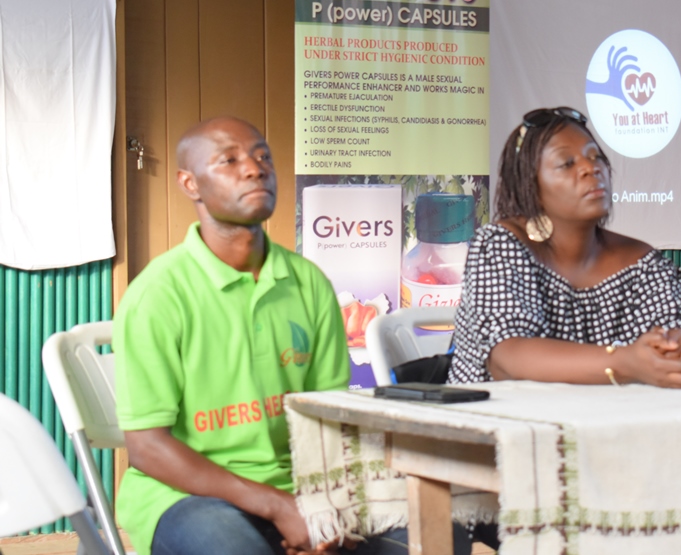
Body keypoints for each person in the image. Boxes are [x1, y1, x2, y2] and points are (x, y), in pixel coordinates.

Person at [113, 117, 469, 555]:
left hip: (304, 486)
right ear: (190, 183)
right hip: (192, 498)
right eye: (229, 160)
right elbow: (148, 448)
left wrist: (326, 506)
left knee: (439, 535)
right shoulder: (158, 294)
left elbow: (330, 418)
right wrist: (279, 507)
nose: (254, 168)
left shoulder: (307, 283)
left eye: (263, 157)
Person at [447, 106, 681, 386]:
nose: (590, 168)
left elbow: (680, 333)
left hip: (608, 423)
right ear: (530, 183)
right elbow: (507, 359)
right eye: (566, 163)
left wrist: (680, 343)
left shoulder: (642, 263)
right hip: (498, 421)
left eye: (596, 157)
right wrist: (623, 362)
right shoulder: (500, 245)